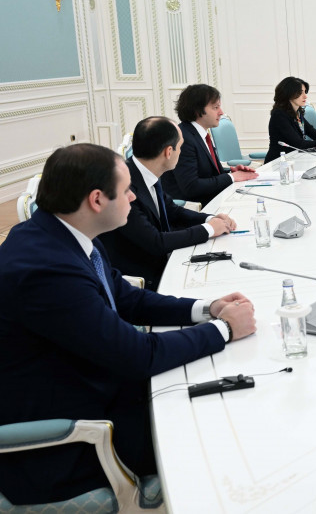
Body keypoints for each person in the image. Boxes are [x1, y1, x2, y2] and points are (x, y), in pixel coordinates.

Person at [0, 144, 256, 506]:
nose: (134, 197)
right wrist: (224, 330)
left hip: (90, 381)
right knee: (222, 434)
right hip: (68, 438)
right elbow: (136, 356)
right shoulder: (47, 270)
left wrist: (207, 309)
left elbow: (126, 298)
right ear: (96, 200)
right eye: (126, 191)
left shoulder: (65, 234)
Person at [99, 117, 237, 292]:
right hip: (144, 280)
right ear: (169, 152)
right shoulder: (126, 188)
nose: (181, 152)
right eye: (180, 147)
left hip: (163, 262)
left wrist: (211, 219)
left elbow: (173, 211)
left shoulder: (145, 171)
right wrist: (209, 229)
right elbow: (155, 242)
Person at [161, 83, 257, 206]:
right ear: (197, 110)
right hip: (193, 209)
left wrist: (231, 173)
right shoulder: (184, 139)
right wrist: (232, 177)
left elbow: (207, 174)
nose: (221, 112)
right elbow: (191, 187)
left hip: (212, 201)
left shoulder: (199, 134)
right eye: (215, 107)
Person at [264, 76, 316, 164]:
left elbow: (314, 134)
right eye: (300, 92)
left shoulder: (297, 113)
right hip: (279, 162)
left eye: (305, 92)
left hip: (294, 159)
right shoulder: (279, 115)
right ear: (289, 93)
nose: (305, 96)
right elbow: (299, 144)